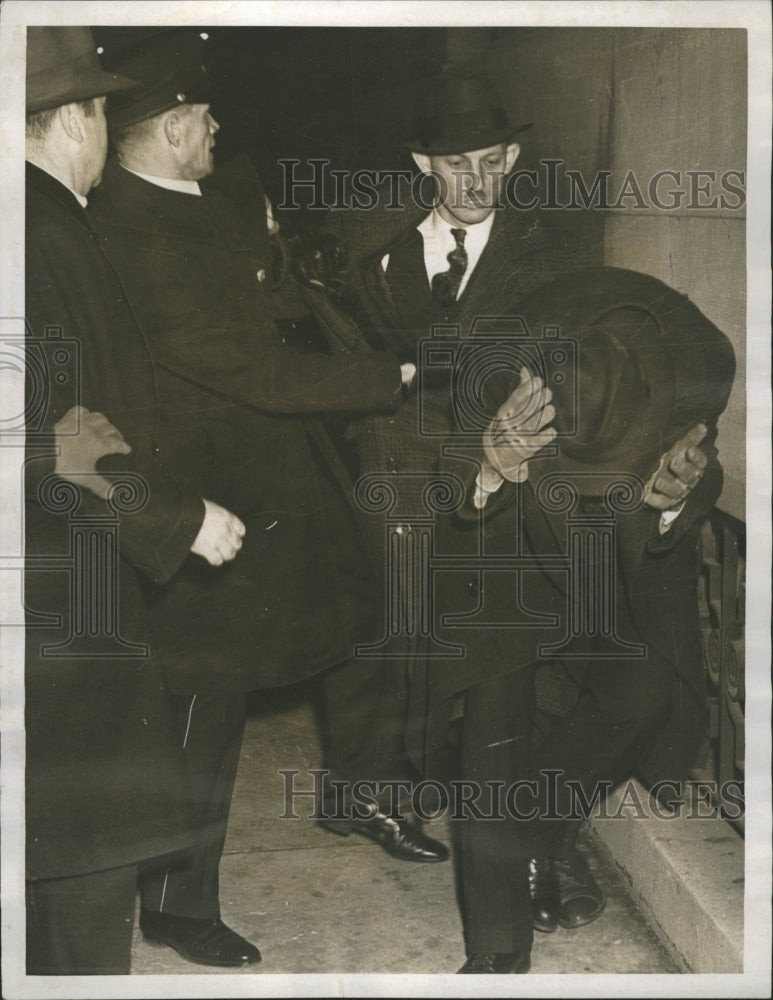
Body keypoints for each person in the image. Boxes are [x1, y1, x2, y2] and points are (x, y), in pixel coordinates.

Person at [298, 71, 719, 972]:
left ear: (513, 159)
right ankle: (490, 939)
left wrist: (646, 472)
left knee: (606, 694)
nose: (478, 180)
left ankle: (535, 832)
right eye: (458, 163)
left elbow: (612, 392)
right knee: (459, 709)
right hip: (413, 499)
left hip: (526, 508)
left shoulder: (557, 260)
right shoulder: (371, 248)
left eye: (493, 161)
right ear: (423, 164)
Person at [85, 27, 442, 967]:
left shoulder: (199, 197)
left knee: (331, 636)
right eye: (201, 115)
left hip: (272, 481)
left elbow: (272, 311)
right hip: (204, 499)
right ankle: (175, 902)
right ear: (165, 128)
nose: (215, 125)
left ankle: (351, 792)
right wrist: (393, 373)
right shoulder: (130, 229)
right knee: (205, 702)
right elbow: (255, 368)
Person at [23, 27, 244, 974]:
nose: (107, 128)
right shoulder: (40, 231)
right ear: (75, 117)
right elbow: (43, 438)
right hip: (59, 596)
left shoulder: (42, 217)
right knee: (83, 860)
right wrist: (176, 520)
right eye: (105, 109)